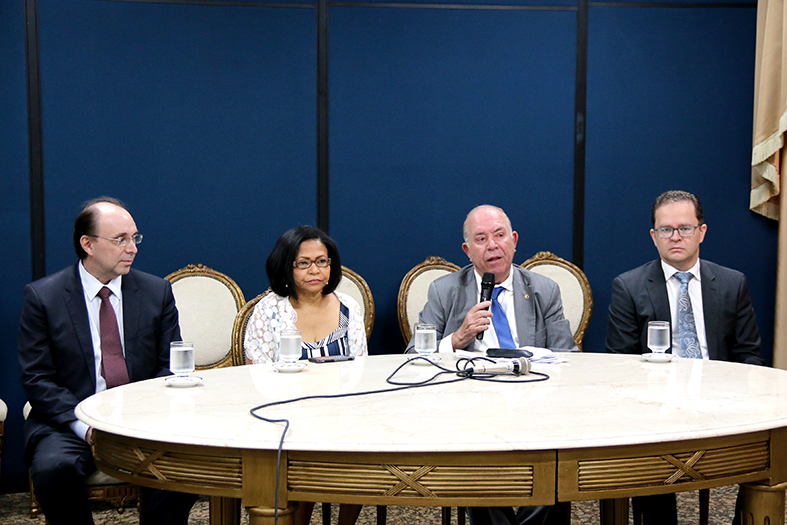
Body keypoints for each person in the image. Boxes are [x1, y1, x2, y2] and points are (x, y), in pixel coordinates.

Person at [18, 197, 198, 525]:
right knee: (53, 468)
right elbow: (37, 378)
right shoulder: (45, 298)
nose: (132, 248)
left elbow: (168, 365)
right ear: (87, 243)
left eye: (134, 238)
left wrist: (144, 417)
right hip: (69, 422)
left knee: (183, 467)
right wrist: (85, 428)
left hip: (144, 419)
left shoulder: (156, 292)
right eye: (121, 240)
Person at [406, 204, 576, 525]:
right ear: (467, 250)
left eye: (499, 236)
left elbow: (569, 357)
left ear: (513, 240)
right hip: (471, 412)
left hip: (535, 406)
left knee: (554, 469)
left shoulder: (543, 289)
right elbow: (414, 356)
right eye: (481, 239)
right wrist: (457, 338)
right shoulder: (445, 291)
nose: (492, 246)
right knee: (475, 468)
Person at [606, 190, 764, 525]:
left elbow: (749, 358)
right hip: (657, 408)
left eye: (685, 228)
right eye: (665, 229)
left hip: (723, 405)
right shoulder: (629, 287)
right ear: (654, 236)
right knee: (650, 453)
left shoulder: (732, 284)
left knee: (764, 456)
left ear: (702, 232)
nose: (675, 236)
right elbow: (618, 367)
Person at [244, 225, 367, 525]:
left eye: (322, 262)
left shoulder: (348, 307)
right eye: (304, 263)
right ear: (286, 267)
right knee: (304, 449)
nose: (315, 270)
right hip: (284, 418)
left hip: (340, 417)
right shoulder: (269, 311)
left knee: (365, 450)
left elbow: (360, 372)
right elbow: (256, 381)